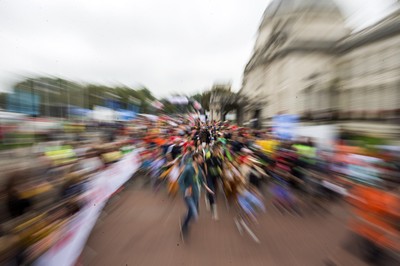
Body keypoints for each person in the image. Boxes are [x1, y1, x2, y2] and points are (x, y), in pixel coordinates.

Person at [178, 153, 213, 238]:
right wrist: (185, 190)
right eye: (200, 158)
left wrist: (207, 188)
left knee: (192, 212)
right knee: (194, 213)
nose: (202, 160)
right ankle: (184, 228)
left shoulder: (199, 169)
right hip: (188, 195)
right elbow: (180, 180)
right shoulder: (189, 168)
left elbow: (201, 180)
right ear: (195, 158)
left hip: (196, 193)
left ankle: (185, 221)